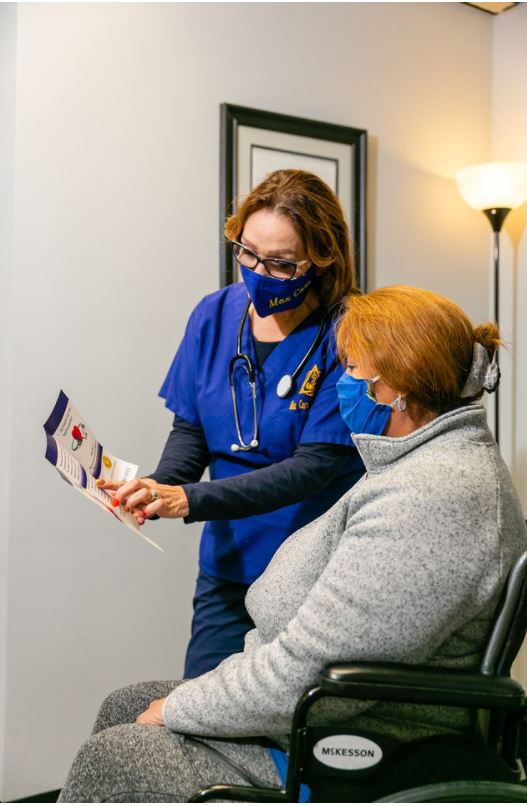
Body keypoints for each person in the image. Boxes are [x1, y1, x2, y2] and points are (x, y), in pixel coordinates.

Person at [60, 285, 527, 803]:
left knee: (117, 754)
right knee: (125, 707)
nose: (342, 385)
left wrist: (176, 710)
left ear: (398, 389)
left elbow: (313, 672)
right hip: (314, 712)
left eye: (352, 371)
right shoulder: (417, 466)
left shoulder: (435, 496)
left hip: (348, 740)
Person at [99, 169, 365, 678]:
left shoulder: (350, 333)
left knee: (280, 729)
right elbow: (192, 430)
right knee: (197, 715)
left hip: (311, 575)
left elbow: (315, 467)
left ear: (324, 257)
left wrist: (190, 500)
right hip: (229, 566)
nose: (259, 272)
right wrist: (161, 483)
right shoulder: (214, 314)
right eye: (247, 252)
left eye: (282, 264)